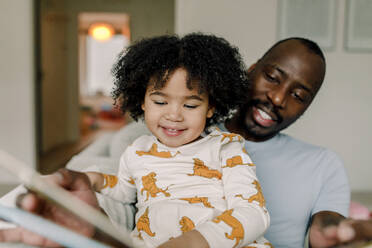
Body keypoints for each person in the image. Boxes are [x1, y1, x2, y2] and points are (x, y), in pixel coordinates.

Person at [1, 37, 372, 247]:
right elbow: (125, 187)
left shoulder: (229, 149)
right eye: (273, 77)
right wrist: (94, 182)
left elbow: (257, 214)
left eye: (299, 94)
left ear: (210, 106)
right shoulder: (139, 145)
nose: (174, 116)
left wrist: (338, 234)